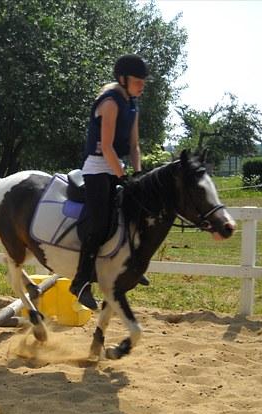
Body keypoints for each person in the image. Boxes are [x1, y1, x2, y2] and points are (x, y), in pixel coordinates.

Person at [70, 54, 149, 310]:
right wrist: (122, 176)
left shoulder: (133, 103)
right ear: (123, 79)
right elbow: (106, 147)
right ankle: (81, 281)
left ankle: (132, 264)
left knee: (138, 210)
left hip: (117, 166)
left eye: (143, 81)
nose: (142, 85)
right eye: (138, 81)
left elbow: (134, 146)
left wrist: (138, 175)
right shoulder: (110, 103)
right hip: (96, 167)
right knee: (101, 222)